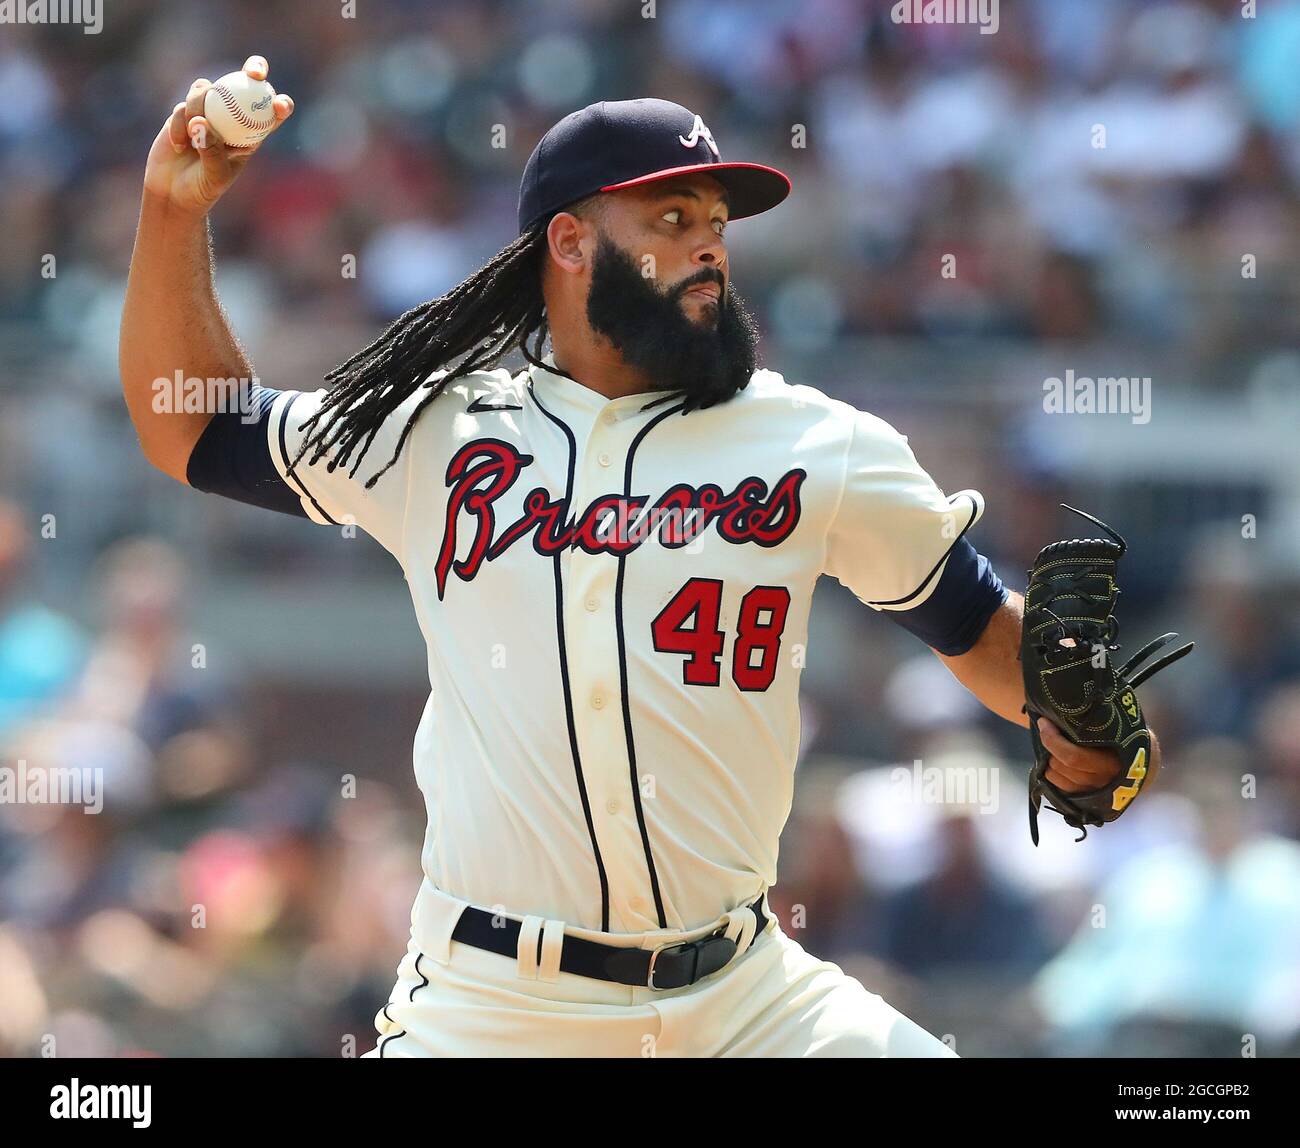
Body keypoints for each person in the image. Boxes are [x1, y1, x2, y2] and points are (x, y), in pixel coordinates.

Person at [119, 57, 1145, 1057]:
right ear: (567, 241)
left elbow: (969, 622)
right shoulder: (439, 429)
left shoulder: (812, 443)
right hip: (495, 1004)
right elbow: (193, 430)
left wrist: (1075, 713)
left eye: (714, 222)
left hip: (746, 996)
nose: (708, 247)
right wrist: (173, 213)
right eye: (670, 219)